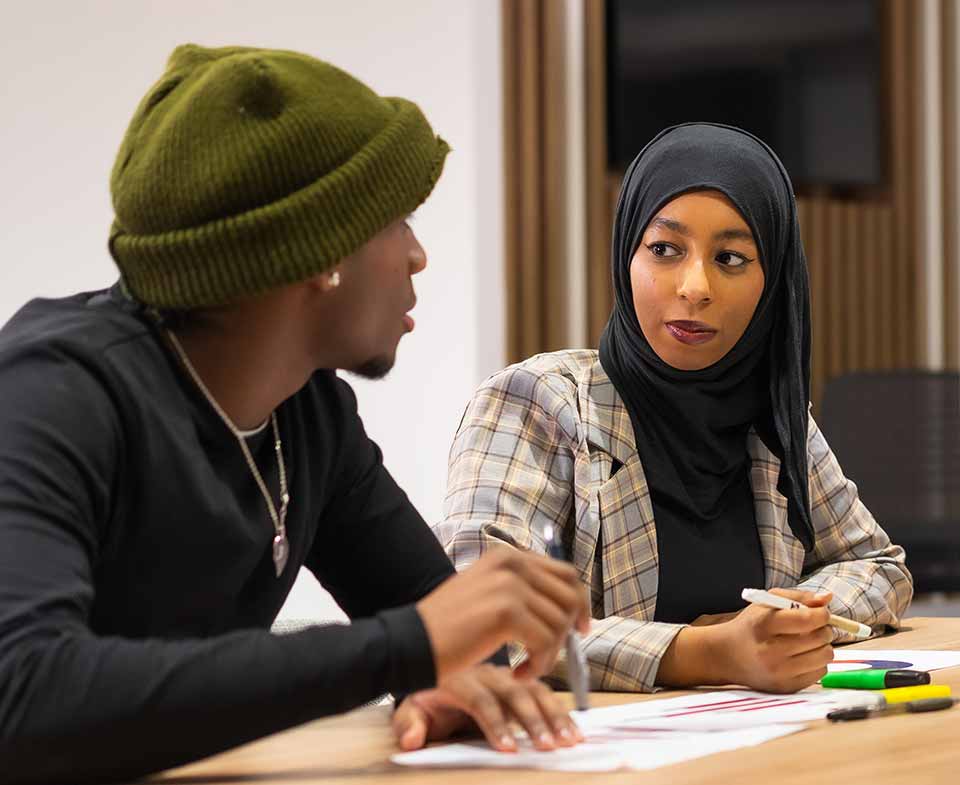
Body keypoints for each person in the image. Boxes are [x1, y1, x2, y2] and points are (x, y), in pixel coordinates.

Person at [0, 45, 591, 783]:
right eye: (396, 219)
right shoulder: (54, 392)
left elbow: (451, 637)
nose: (417, 255)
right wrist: (407, 647)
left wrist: (452, 679)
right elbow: (25, 697)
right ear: (319, 250)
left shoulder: (308, 412)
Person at [438, 123, 911, 696]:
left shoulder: (772, 418)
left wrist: (795, 620)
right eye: (664, 250)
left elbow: (879, 566)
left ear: (773, 281)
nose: (695, 286)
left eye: (732, 258)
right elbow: (477, 625)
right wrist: (704, 652)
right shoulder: (537, 403)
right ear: (626, 256)